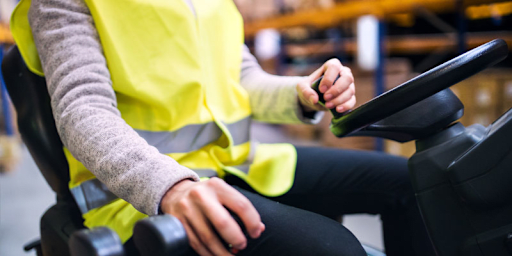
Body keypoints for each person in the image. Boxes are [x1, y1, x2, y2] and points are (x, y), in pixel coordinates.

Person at [11, 0, 435, 255]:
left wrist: (303, 92)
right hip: (142, 192)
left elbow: (244, 80)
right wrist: (169, 186)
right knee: (334, 247)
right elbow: (83, 110)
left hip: (235, 164)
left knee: (415, 181)